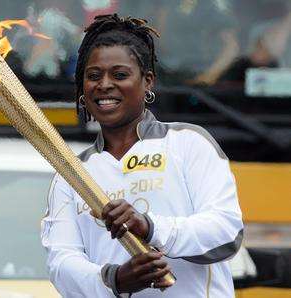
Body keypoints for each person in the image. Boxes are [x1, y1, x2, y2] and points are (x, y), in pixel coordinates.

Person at [41, 14, 243, 297]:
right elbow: (61, 264)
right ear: (82, 88)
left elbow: (226, 232)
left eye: (120, 75)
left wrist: (150, 227)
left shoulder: (188, 143)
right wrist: (116, 279)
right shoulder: (72, 175)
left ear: (147, 81)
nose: (104, 85)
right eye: (93, 76)